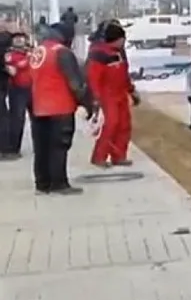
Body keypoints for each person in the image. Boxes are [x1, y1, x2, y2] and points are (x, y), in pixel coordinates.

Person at [29, 23, 99, 195]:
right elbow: (75, 83)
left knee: (41, 147)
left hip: (38, 107)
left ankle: (42, 183)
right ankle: (59, 183)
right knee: (59, 146)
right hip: (60, 107)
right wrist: (87, 104)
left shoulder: (38, 51)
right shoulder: (62, 52)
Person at [87, 22, 139, 168]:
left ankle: (119, 155)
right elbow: (94, 78)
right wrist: (96, 97)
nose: (124, 42)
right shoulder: (99, 54)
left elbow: (123, 75)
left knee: (124, 125)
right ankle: (99, 156)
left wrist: (130, 90)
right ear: (116, 38)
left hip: (120, 93)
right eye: (122, 39)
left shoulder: (118, 53)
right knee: (111, 124)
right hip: (107, 95)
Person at [0, 32, 28, 160]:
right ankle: (10, 148)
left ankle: (9, 147)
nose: (19, 41)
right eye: (15, 38)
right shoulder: (8, 55)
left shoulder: (30, 53)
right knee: (14, 118)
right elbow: (13, 70)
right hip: (16, 89)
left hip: (29, 88)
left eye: (21, 38)